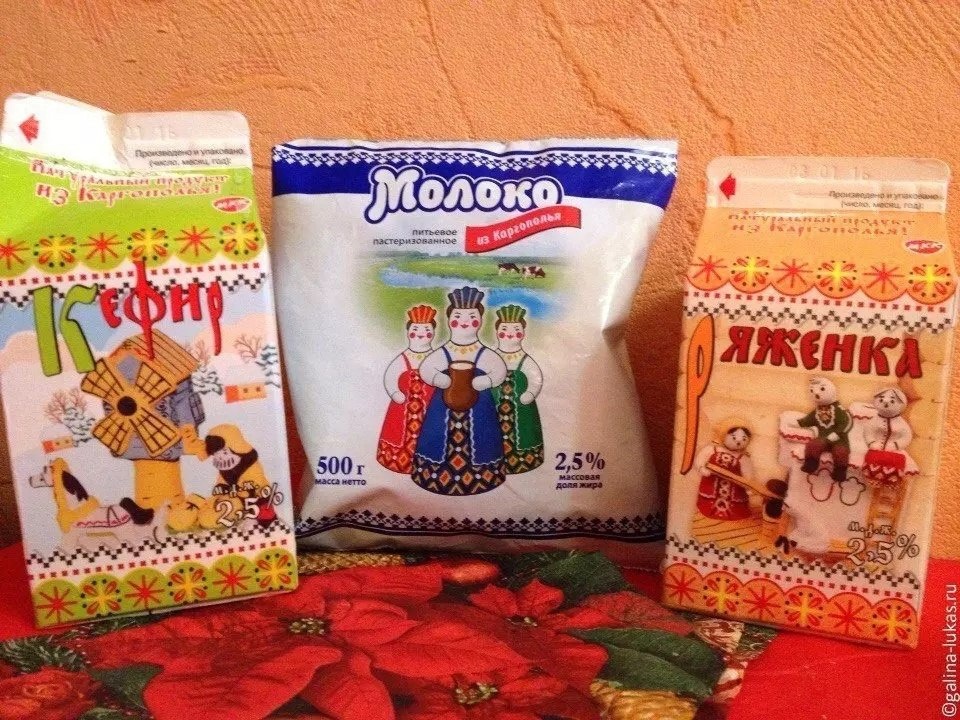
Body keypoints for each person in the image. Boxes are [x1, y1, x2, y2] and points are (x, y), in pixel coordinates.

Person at [413, 286, 507, 495]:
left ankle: (483, 476)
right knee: (438, 440)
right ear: (449, 320)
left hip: (480, 408)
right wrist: (438, 378)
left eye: (472, 317)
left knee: (483, 440)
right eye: (458, 316)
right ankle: (434, 475)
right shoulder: (444, 351)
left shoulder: (484, 353)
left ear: (480, 321)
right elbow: (426, 368)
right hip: (443, 408)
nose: (464, 321)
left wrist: (487, 380)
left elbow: (499, 371)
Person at [376, 304, 437, 473]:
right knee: (400, 435)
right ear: (409, 332)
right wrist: (394, 392)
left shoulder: (435, 357)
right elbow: (390, 377)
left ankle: (427, 465)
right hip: (403, 409)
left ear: (433, 333)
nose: (421, 334)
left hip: (430, 408)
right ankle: (400, 461)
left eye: (426, 330)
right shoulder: (402, 358)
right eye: (416, 329)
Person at [492, 304, 544, 473]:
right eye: (504, 329)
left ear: (523, 333)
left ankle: (525, 459)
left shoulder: (525, 359)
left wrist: (530, 393)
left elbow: (535, 378)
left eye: (516, 330)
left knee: (523, 434)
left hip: (521, 408)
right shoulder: (492, 356)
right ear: (497, 332)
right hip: (494, 405)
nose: (510, 333)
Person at [695, 418, 755, 520]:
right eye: (734, 437)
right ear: (724, 434)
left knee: (736, 511)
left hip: (735, 490)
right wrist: (701, 468)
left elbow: (748, 475)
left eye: (744, 439)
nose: (738, 442)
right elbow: (700, 459)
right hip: (711, 486)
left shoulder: (744, 458)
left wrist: (749, 487)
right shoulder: (713, 449)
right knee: (708, 507)